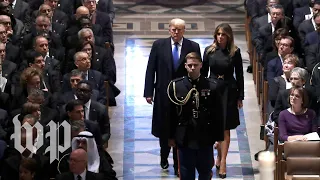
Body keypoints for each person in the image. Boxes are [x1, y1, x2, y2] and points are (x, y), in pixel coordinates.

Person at [143, 18, 201, 176]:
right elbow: (151, 69)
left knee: (180, 129)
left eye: (179, 30)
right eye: (174, 29)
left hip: (184, 95)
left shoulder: (192, 46)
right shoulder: (158, 45)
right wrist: (148, 92)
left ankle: (178, 163)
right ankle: (163, 156)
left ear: (184, 31)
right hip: (163, 93)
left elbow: (197, 70)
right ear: (169, 29)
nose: (176, 32)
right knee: (164, 127)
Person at [167, 52, 224, 180]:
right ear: (185, 66)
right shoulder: (176, 86)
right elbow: (171, 115)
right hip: (185, 137)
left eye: (195, 65)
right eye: (190, 65)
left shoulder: (212, 86)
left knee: (205, 171)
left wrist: (219, 138)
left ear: (201, 65)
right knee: (186, 173)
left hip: (205, 136)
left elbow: (218, 114)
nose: (193, 68)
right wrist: (170, 136)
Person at [201, 23, 244, 178]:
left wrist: (240, 96)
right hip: (213, 90)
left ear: (228, 36)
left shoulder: (235, 52)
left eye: (223, 34)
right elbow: (203, 73)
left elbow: (239, 75)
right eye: (218, 34)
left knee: (225, 128)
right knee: (215, 126)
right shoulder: (209, 51)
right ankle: (218, 156)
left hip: (229, 91)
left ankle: (223, 161)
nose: (220, 37)